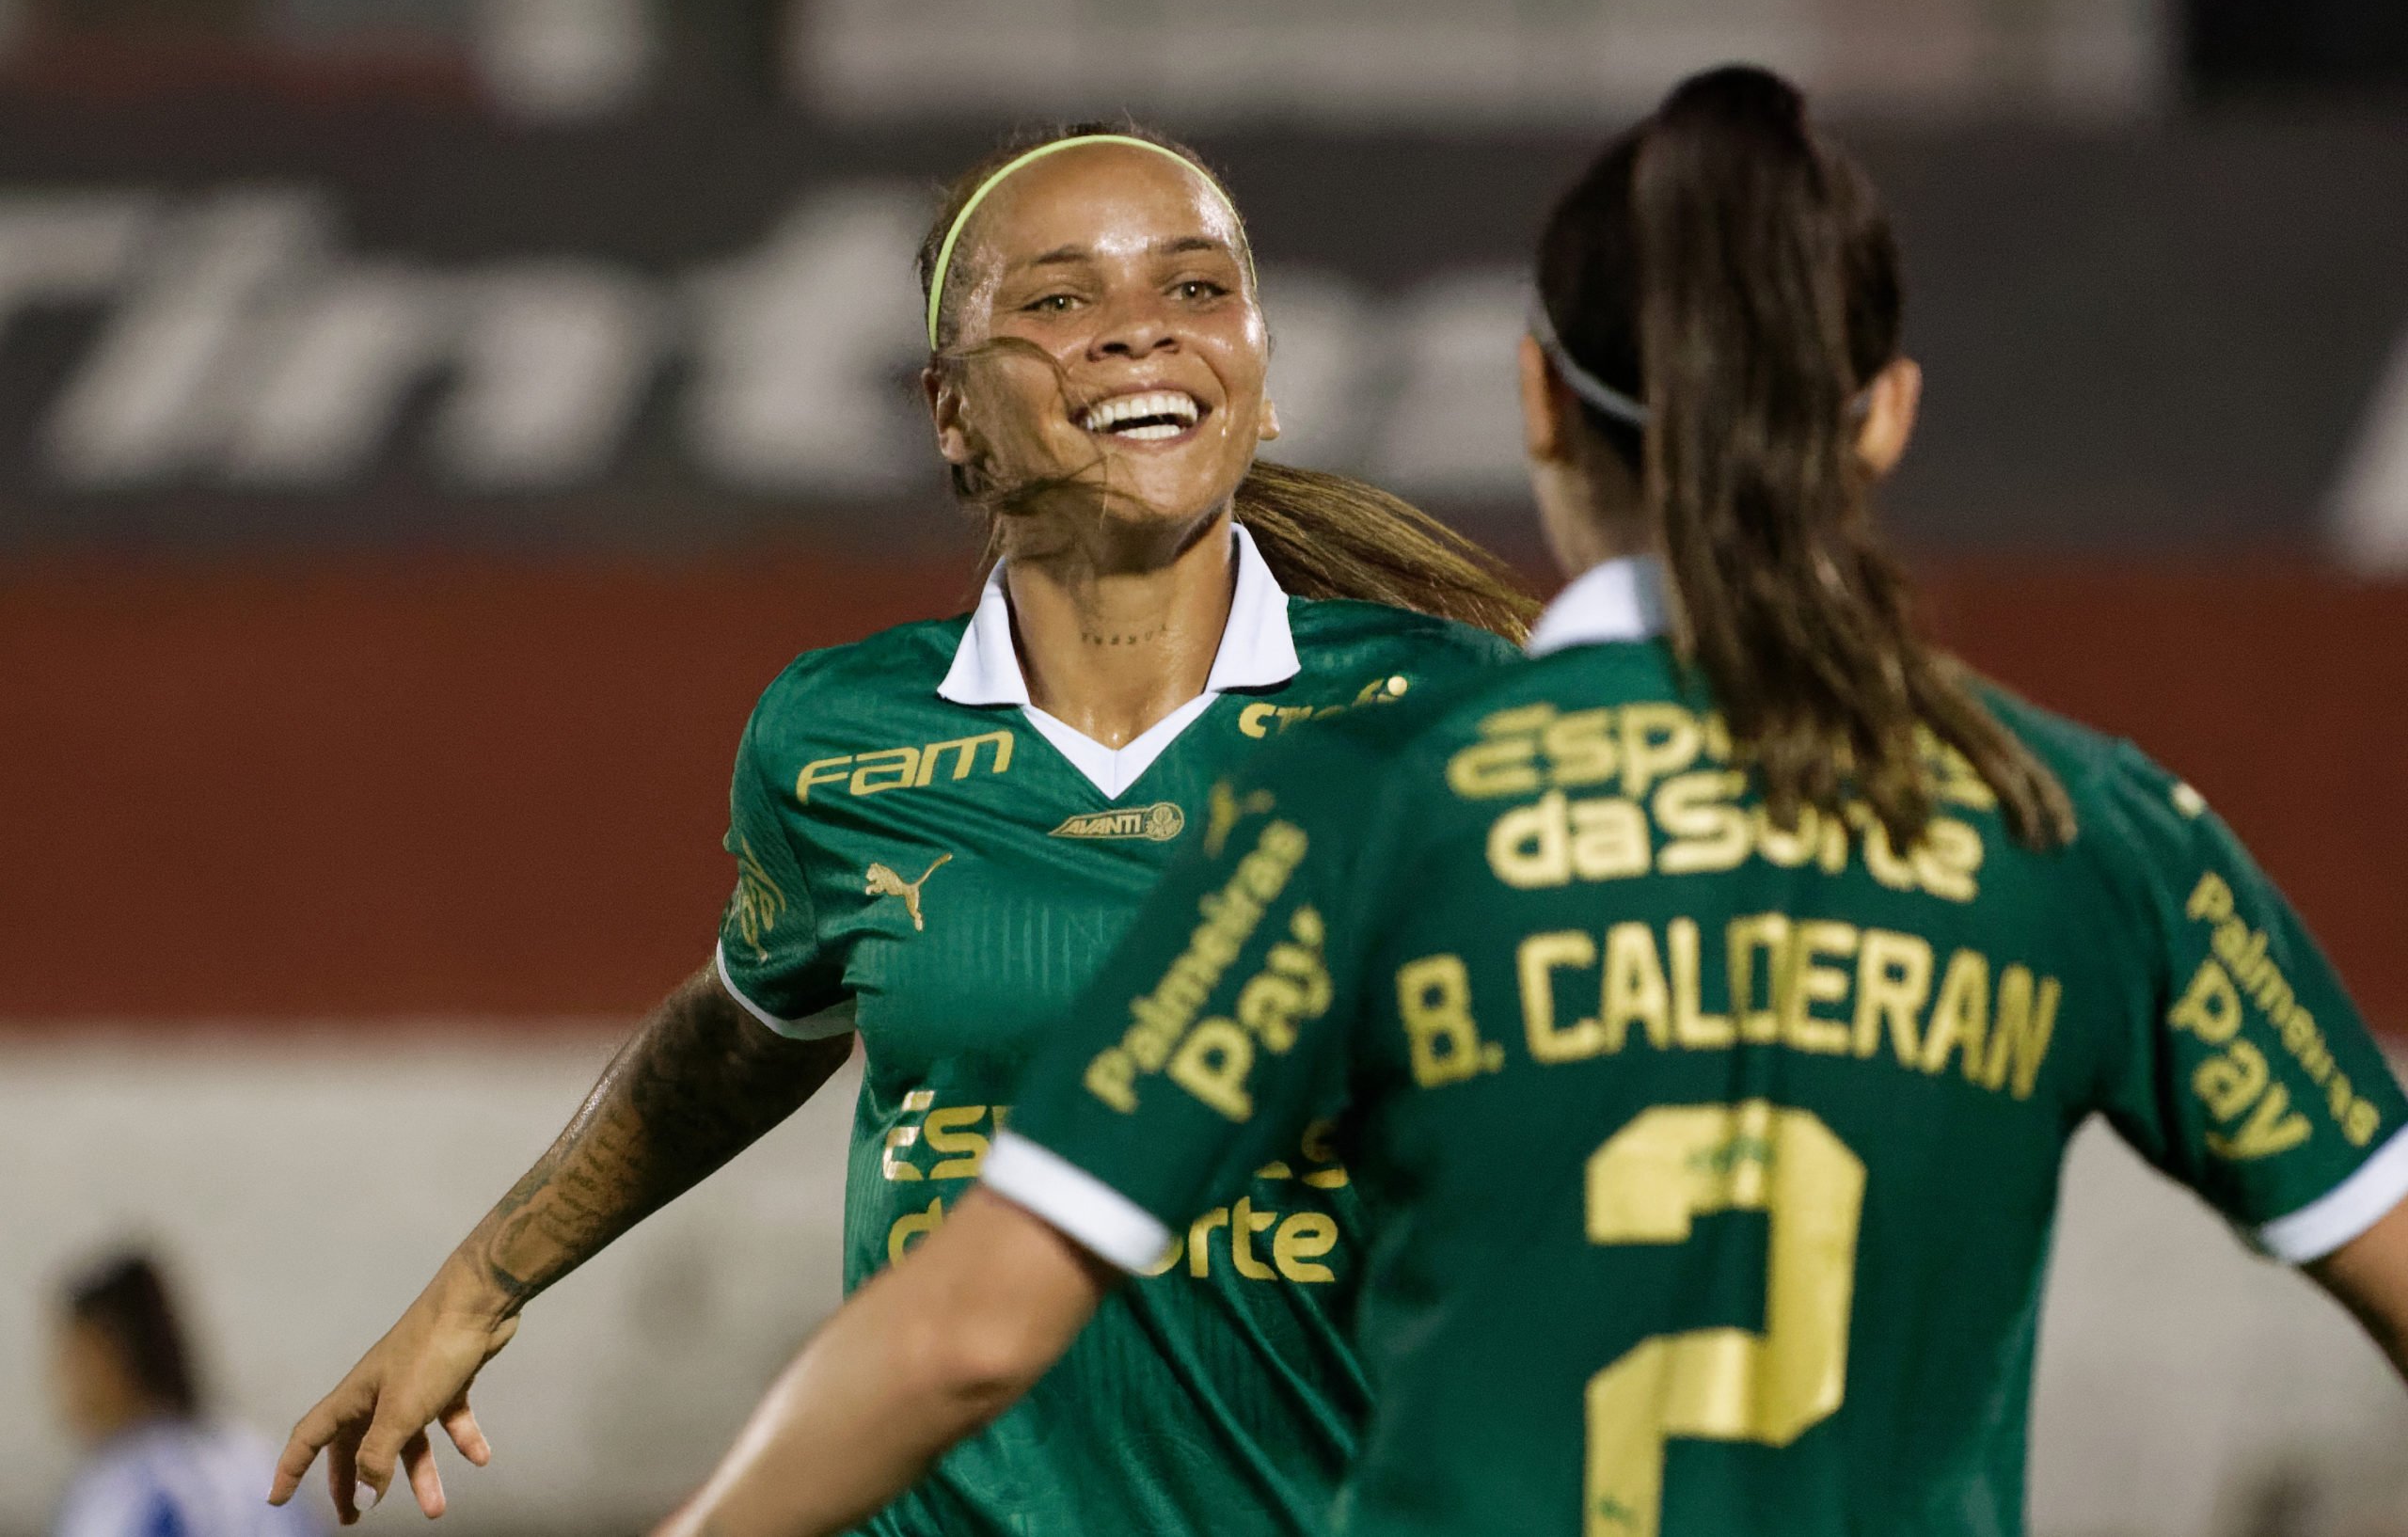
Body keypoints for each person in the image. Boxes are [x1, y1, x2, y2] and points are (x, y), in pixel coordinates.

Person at [644, 66, 2408, 1537]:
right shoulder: (2083, 824)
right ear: (1881, 418)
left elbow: (968, 1334)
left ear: (1540, 405)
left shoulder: (1365, 813)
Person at [270, 124, 1535, 1530]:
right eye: (1059, 299)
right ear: (949, 411)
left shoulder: (1446, 715)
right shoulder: (837, 736)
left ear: (1262, 371)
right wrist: (477, 1288)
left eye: (1195, 288)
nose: (1140, 332)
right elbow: (748, 1028)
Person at [50, 1251, 320, 1537]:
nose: (62, 1383)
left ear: (111, 1357)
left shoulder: (125, 1491)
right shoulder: (259, 1461)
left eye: (74, 1360)